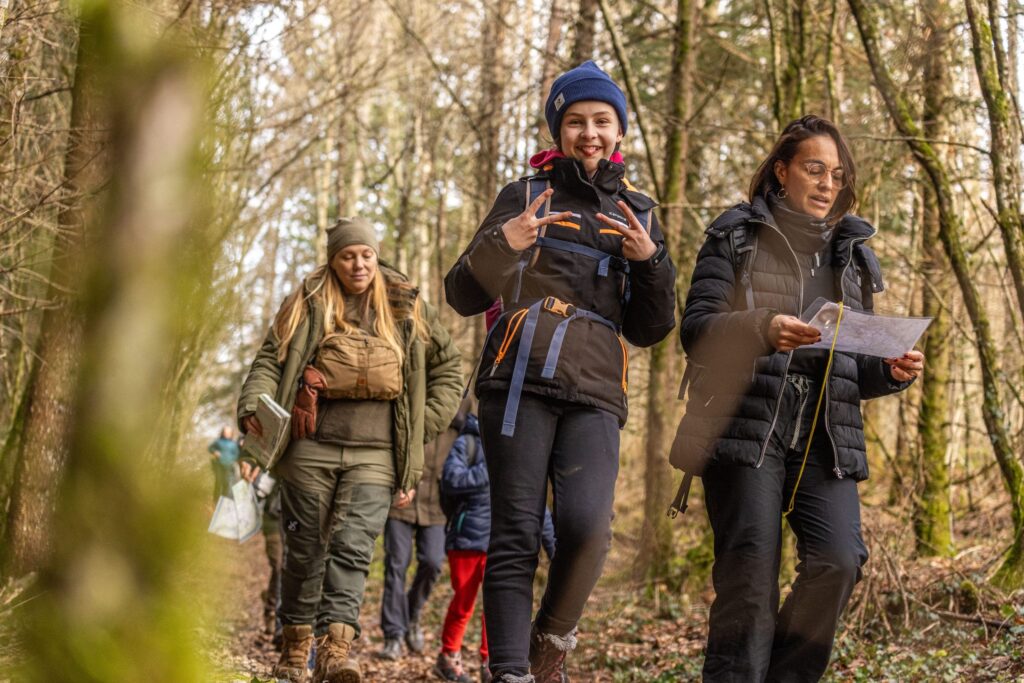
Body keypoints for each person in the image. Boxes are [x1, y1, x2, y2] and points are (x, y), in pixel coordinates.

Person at [669, 115, 925, 682]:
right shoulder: (734, 236)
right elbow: (698, 331)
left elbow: (854, 365)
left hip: (824, 434)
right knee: (749, 582)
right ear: (782, 171)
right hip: (744, 424)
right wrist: (762, 328)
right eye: (814, 169)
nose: (827, 183)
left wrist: (892, 370)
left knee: (839, 562)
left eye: (837, 174)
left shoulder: (852, 252)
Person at [445, 61, 676, 682]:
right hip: (516, 381)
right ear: (559, 130)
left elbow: (651, 328)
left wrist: (651, 262)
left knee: (588, 530)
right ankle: (511, 672)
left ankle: (550, 642)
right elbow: (461, 294)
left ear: (619, 131)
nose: (589, 133)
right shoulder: (523, 196)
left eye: (602, 121)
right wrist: (506, 243)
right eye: (575, 121)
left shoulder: (639, 211)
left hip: (596, 389)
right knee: (515, 533)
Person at [237, 217, 462, 683]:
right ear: (333, 260)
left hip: (376, 456)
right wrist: (253, 410)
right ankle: (295, 650)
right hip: (309, 449)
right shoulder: (308, 301)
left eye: (365, 255)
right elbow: (269, 361)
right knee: (305, 551)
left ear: (375, 256)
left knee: (353, 548)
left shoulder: (405, 304)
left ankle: (336, 652)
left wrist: (419, 428)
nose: (358, 264)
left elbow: (448, 368)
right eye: (347, 256)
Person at [435, 412, 557, 683]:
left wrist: (554, 548)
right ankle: (448, 656)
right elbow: (452, 478)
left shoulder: (523, 445)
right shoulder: (469, 441)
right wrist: (491, 467)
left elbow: (536, 505)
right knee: (463, 602)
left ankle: (492, 662)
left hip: (503, 541)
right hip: (467, 538)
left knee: (499, 605)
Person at [376, 398, 474, 661]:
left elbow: (475, 440)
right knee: (396, 564)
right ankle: (393, 635)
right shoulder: (413, 391)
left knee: (432, 562)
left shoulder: (464, 402)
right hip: (402, 496)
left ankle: (412, 614)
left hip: (438, 504)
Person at [208, 426, 240, 501]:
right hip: (218, 465)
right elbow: (210, 448)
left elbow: (236, 455)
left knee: (226, 483)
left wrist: (231, 460)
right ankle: (215, 500)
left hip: (228, 466)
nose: (226, 434)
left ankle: (223, 500)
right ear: (223, 432)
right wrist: (215, 452)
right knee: (218, 482)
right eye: (225, 432)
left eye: (228, 432)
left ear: (231, 434)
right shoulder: (218, 441)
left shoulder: (233, 444)